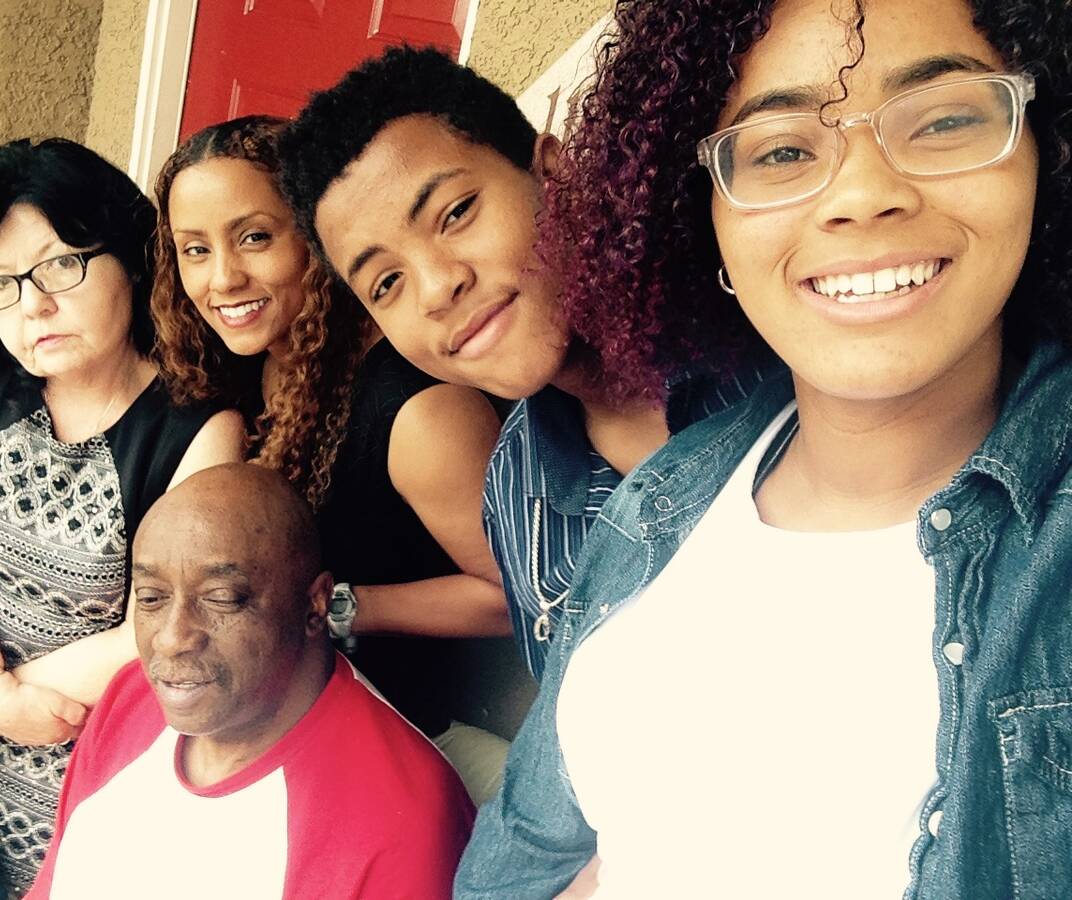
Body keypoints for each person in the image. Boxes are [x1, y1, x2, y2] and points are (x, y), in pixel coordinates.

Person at [456, 0, 1072, 897]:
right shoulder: (662, 498)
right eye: (783, 149)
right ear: (700, 214)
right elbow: (525, 859)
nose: (863, 194)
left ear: (1042, 151)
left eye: (944, 119)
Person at [0, 117, 515, 799]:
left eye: (255, 237)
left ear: (317, 234)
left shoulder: (417, 411)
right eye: (194, 249)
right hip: (246, 714)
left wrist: (332, 606)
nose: (223, 277)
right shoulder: (230, 355)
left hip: (383, 729)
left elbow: (509, 597)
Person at [278, 47, 742, 681]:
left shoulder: (763, 338)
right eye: (387, 282)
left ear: (554, 175)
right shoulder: (515, 494)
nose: (437, 287)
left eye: (456, 213)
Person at [0, 137, 245, 895]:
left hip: (87, 753)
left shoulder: (198, 430)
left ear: (128, 257)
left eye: (60, 265)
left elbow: (157, 623)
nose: (35, 306)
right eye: (3, 283)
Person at [26, 463, 475, 899]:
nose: (171, 638)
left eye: (222, 599)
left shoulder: (402, 820)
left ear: (315, 604)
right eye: (151, 598)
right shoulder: (132, 696)